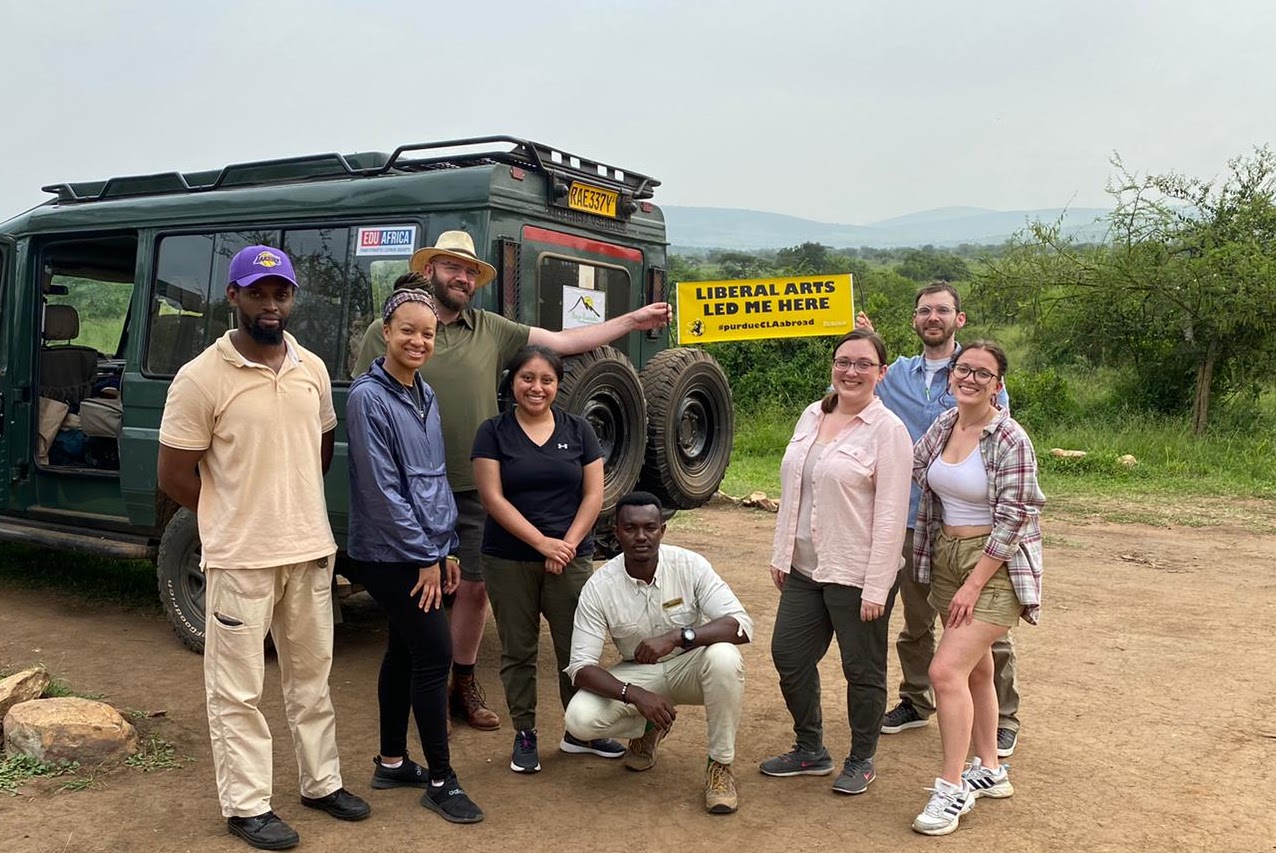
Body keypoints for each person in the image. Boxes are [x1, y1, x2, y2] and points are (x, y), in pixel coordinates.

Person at [353, 231, 672, 732]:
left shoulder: (491, 328)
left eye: (469, 272)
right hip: (415, 487)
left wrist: (633, 320)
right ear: (430, 270)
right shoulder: (392, 328)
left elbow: (564, 343)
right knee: (417, 591)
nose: (461, 278)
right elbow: (369, 398)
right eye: (451, 268)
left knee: (476, 590)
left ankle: (462, 683)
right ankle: (427, 687)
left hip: (480, 483)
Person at [157, 246, 369, 851]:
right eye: (258, 292)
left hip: (307, 550)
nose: (270, 304)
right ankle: (247, 805)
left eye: (281, 293)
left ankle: (321, 782)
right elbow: (175, 475)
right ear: (234, 297)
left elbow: (320, 449)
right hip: (239, 560)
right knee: (238, 689)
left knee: (312, 677)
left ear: (291, 299)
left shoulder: (311, 367)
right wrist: (230, 514)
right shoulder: (202, 377)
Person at [860, 282, 1022, 759]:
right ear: (915, 320)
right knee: (916, 622)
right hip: (914, 519)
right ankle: (916, 701)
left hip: (974, 530)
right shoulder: (899, 376)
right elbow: (852, 391)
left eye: (943, 310)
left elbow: (998, 451)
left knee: (985, 632)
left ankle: (1003, 719)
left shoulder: (982, 379)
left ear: (959, 318)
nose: (934, 317)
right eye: (925, 310)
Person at [345, 288, 484, 824]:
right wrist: (425, 553)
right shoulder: (368, 398)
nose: (418, 341)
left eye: (427, 333)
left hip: (426, 548)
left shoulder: (425, 394)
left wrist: (446, 545)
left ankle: (392, 761)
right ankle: (442, 780)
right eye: (407, 330)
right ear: (386, 332)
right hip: (387, 553)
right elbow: (382, 491)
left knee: (404, 652)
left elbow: (434, 480)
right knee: (433, 654)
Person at [760, 329, 912, 796]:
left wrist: (876, 586)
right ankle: (811, 749)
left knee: (862, 669)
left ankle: (862, 757)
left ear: (881, 373)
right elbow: (795, 488)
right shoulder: (812, 414)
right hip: (806, 567)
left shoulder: (888, 432)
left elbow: (891, 515)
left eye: (863, 364)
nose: (851, 371)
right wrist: (782, 551)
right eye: (843, 361)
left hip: (856, 572)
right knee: (789, 654)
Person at [908, 340, 1044, 836]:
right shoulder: (944, 426)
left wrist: (973, 584)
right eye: (964, 370)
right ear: (953, 376)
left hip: (993, 563)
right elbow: (909, 466)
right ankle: (989, 768)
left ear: (998, 384)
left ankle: (951, 788)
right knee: (976, 670)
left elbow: (1016, 516)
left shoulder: (1010, 437)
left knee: (945, 671)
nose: (970, 378)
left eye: (983, 374)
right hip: (947, 556)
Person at [472, 344, 625, 773]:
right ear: (513, 381)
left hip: (570, 557)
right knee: (518, 650)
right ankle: (525, 733)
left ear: (557, 385)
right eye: (527, 378)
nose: (536, 387)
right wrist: (542, 543)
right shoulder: (493, 431)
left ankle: (581, 731)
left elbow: (594, 495)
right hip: (508, 558)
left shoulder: (579, 431)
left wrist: (568, 545)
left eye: (546, 380)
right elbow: (492, 498)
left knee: (576, 649)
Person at [563, 492, 752, 815]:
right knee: (579, 720)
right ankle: (649, 728)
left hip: (689, 668)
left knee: (724, 657)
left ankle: (720, 766)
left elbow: (742, 626)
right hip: (640, 674)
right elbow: (580, 667)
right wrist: (634, 694)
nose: (641, 537)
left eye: (650, 527)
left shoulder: (690, 565)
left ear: (662, 530)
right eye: (631, 528)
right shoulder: (599, 586)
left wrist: (680, 636)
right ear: (616, 531)